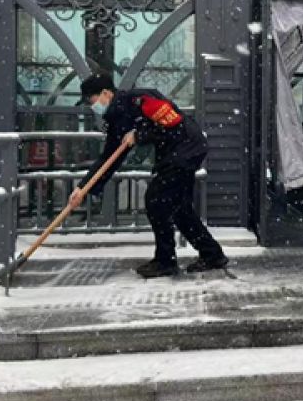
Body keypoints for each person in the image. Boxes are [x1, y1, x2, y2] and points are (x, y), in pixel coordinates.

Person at [70, 73, 229, 278]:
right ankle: (212, 254)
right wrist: (83, 189)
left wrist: (139, 134)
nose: (92, 106)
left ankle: (165, 261)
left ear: (106, 93)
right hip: (177, 153)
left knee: (156, 200)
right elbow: (109, 158)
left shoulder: (139, 100)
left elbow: (172, 121)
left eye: (91, 100)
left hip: (185, 148)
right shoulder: (117, 118)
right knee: (179, 207)